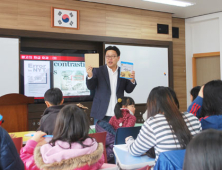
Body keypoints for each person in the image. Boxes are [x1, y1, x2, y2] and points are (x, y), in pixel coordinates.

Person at [125, 87, 201, 162]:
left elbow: (134, 151)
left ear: (152, 105)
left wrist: (129, 140)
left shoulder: (153, 123)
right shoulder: (193, 118)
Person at [20, 104, 104, 170]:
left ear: (59, 125)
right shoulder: (95, 155)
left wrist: (32, 143)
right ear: (85, 125)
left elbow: (23, 164)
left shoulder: (45, 157)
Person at [86, 46, 137, 124]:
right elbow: (91, 87)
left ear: (118, 58)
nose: (110, 59)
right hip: (101, 113)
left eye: (113, 56)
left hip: (118, 113)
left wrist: (132, 80)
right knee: (101, 135)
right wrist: (90, 75)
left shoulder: (123, 71)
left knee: (117, 135)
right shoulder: (98, 70)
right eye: (107, 56)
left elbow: (128, 90)